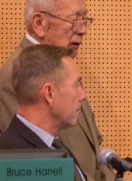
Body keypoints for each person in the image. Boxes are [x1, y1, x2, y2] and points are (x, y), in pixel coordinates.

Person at [0, 0, 112, 181]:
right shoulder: (16, 74)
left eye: (84, 19)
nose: (82, 29)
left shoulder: (62, 64)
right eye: (74, 20)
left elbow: (91, 144)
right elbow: (33, 161)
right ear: (39, 23)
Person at [0, 45, 89, 181]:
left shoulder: (56, 147)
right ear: (49, 93)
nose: (83, 95)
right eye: (76, 85)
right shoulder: (13, 161)